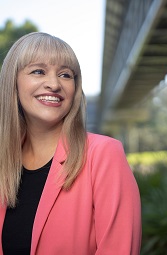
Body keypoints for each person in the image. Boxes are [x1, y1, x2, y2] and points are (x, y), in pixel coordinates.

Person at [0, 32, 141, 254]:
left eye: (66, 75)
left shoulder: (103, 155)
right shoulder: (4, 164)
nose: (54, 84)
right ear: (13, 83)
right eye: (38, 71)